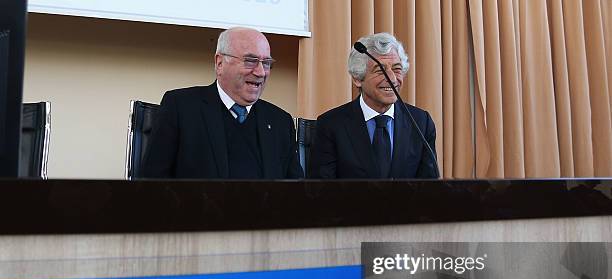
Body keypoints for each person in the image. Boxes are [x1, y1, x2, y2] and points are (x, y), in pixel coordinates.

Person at [143, 27, 303, 179]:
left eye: (266, 63)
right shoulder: (180, 108)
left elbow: (296, 194)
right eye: (250, 60)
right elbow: (152, 185)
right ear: (220, 63)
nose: (261, 72)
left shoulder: (280, 122)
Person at [309, 32, 438, 179]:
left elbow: (430, 189)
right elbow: (321, 192)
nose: (392, 78)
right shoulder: (331, 124)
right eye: (380, 70)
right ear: (357, 79)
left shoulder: (421, 122)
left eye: (397, 69)